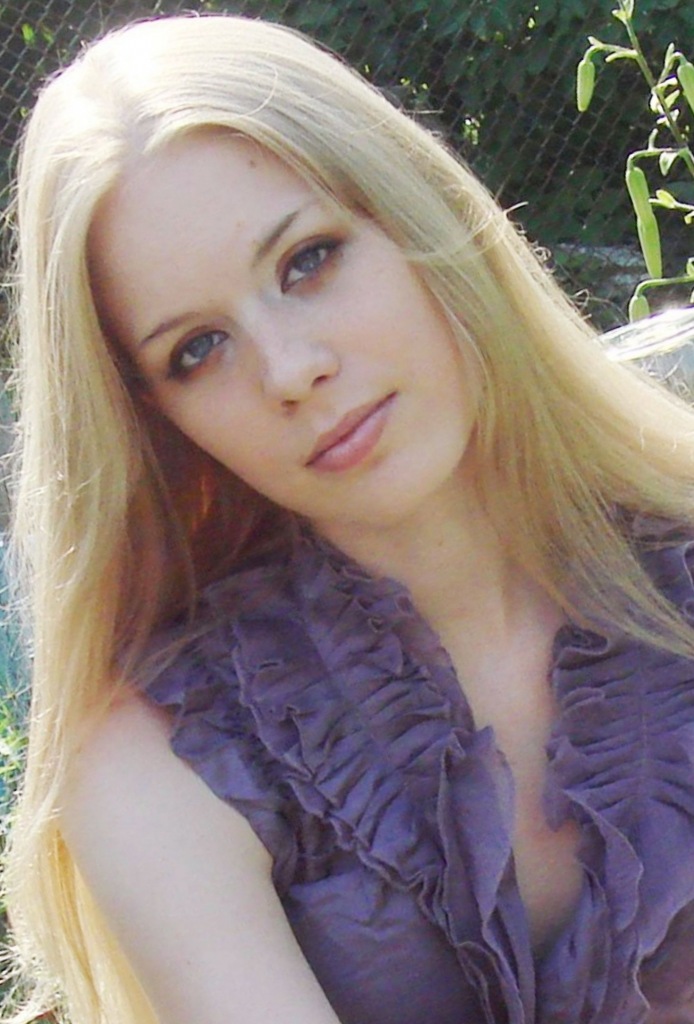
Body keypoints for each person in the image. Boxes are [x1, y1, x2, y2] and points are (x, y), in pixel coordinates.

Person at [4, 12, 694, 1024]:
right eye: (197, 349)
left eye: (308, 260)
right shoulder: (162, 758)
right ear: (155, 420)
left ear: (415, 215)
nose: (290, 370)